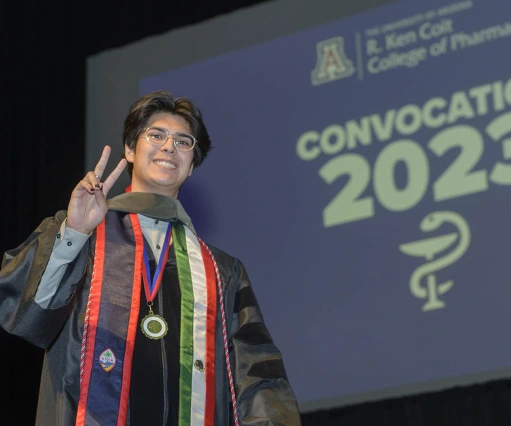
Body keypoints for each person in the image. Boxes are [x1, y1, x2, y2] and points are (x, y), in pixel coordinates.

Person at [0, 90, 301, 426]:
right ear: (130, 149)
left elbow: (257, 378)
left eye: (183, 141)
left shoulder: (221, 271)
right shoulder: (80, 233)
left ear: (191, 166)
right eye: (156, 134)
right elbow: (25, 315)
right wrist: (74, 233)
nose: (169, 146)